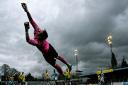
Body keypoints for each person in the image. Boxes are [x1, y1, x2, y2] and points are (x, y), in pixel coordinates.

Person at [21, 3, 72, 76]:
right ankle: (66, 69)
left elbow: (28, 40)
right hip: (48, 48)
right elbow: (31, 20)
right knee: (57, 60)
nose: (40, 30)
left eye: (40, 32)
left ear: (40, 36)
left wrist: (26, 30)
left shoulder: (37, 42)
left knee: (56, 61)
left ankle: (66, 69)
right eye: (40, 30)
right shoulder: (37, 29)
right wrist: (27, 11)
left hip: (47, 53)